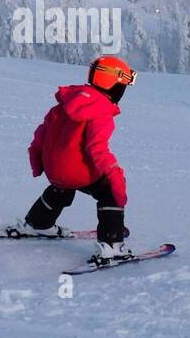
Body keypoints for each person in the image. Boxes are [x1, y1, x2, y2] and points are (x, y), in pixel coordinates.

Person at [13, 55, 135, 261]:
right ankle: (112, 245)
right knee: (109, 192)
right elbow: (97, 148)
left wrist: (37, 159)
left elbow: (42, 133)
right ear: (113, 83)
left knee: (61, 189)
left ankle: (37, 224)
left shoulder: (66, 101)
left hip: (54, 170)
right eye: (122, 86)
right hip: (77, 171)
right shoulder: (101, 111)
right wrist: (114, 175)